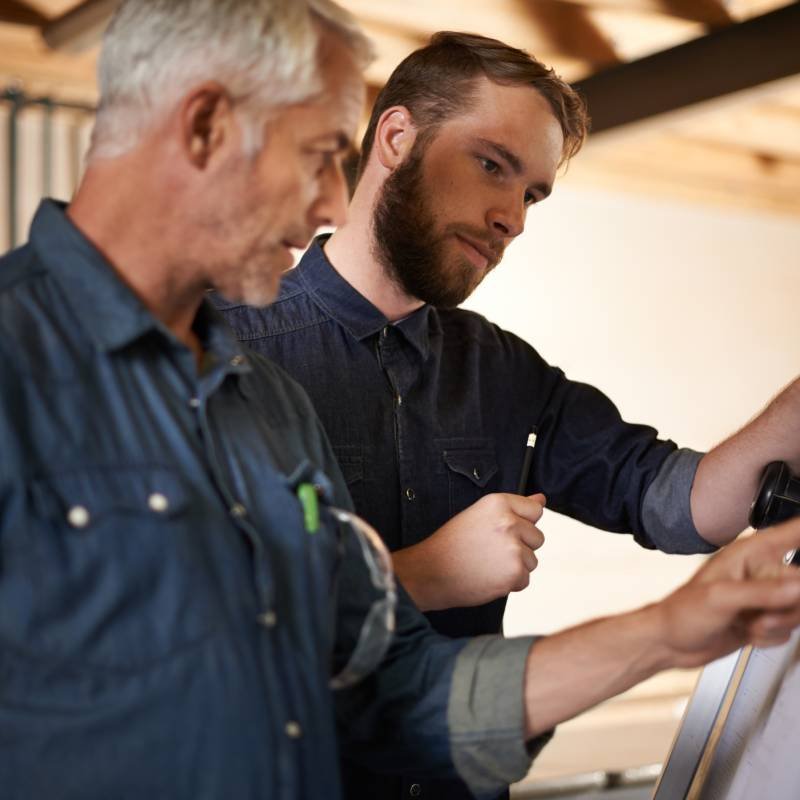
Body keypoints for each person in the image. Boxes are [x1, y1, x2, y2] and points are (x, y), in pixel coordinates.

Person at [3, 6, 800, 800]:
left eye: (532, 194)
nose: (330, 203)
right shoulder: (62, 358)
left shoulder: (265, 401)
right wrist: (430, 573)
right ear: (207, 125)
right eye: (320, 154)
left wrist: (666, 634)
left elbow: (389, 681)